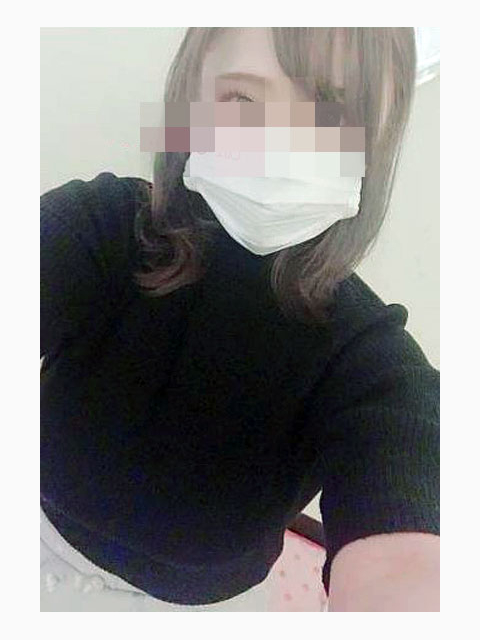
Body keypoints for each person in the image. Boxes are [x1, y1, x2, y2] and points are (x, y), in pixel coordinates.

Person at [40, 28, 439, 611]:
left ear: (373, 147)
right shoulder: (105, 223)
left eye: (329, 110)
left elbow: (407, 557)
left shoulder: (369, 358)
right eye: (242, 99)